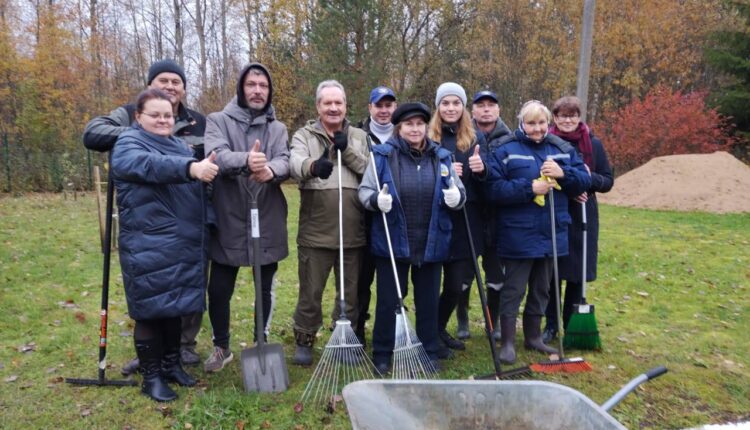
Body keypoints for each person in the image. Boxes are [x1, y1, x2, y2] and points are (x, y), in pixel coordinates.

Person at [82, 59, 207, 374]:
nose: (169, 86)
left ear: (183, 88)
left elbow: (203, 160)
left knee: (177, 299)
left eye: (175, 81)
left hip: (181, 230)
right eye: (162, 80)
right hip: (149, 232)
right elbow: (95, 134)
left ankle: (176, 356)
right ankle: (153, 366)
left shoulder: (195, 123)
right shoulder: (129, 124)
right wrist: (144, 130)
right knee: (152, 305)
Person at [110, 88, 217, 401]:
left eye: (167, 115)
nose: (162, 120)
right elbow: (147, 166)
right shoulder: (129, 143)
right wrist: (190, 168)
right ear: (138, 117)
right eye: (154, 115)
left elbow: (193, 186)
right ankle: (151, 376)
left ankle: (171, 366)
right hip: (148, 242)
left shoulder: (177, 144)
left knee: (175, 308)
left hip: (181, 242)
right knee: (149, 312)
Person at [358, 102, 466, 374]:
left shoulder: (441, 158)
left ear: (427, 127)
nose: (415, 129)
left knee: (428, 302)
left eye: (420, 124)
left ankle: (428, 350)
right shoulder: (381, 156)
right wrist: (375, 199)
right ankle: (383, 352)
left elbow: (459, 191)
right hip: (393, 242)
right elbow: (364, 191)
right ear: (399, 128)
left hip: (431, 242)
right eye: (409, 124)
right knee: (389, 302)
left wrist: (457, 198)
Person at [484, 100, 591, 364]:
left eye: (542, 123)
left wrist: (562, 173)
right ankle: (507, 342)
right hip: (518, 233)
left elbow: (585, 181)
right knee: (514, 289)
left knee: (542, 289)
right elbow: (493, 190)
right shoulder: (504, 149)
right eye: (531, 123)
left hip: (552, 231)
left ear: (548, 123)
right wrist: (529, 189)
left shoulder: (562, 149)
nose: (537, 128)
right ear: (522, 122)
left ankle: (533, 338)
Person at [201, 63, 290, 372]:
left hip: (266, 215)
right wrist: (247, 160)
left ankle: (260, 342)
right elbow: (217, 155)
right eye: (251, 84)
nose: (257, 90)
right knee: (219, 289)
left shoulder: (277, 128)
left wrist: (271, 170)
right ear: (241, 88)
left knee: (263, 287)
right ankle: (221, 346)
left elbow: (285, 161)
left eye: (263, 86)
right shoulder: (217, 121)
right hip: (230, 216)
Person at [289, 80, 368, 366]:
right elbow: (294, 162)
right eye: (327, 103)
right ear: (318, 106)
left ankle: (342, 339)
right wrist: (312, 167)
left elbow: (371, 170)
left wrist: (346, 151)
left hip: (353, 230)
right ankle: (304, 338)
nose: (333, 108)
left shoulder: (359, 135)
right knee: (310, 292)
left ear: (346, 106)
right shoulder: (304, 134)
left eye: (339, 103)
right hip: (316, 231)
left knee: (348, 294)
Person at [542, 96, 614, 343]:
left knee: (576, 271)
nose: (568, 120)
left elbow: (607, 180)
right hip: (555, 209)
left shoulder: (593, 144)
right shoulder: (546, 142)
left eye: (572, 115)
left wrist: (588, 182)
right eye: (563, 116)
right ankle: (551, 325)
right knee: (551, 271)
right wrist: (569, 186)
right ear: (555, 118)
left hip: (583, 213)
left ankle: (571, 323)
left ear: (579, 117)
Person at [428, 82, 481, 352]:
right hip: (435, 222)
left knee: (456, 284)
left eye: (456, 103)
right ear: (438, 107)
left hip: (465, 224)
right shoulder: (427, 138)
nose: (451, 108)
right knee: (430, 284)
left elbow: (486, 184)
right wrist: (444, 174)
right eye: (445, 103)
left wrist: (480, 170)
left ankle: (438, 328)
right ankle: (429, 334)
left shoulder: (474, 139)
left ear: (463, 107)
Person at [354, 86, 398, 345]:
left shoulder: (402, 135)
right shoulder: (359, 136)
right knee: (361, 279)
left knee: (389, 281)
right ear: (370, 108)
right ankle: (358, 327)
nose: (384, 110)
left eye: (388, 105)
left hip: (392, 218)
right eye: (378, 105)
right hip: (363, 215)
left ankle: (389, 328)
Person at [470, 90, 512, 341]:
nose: (486, 110)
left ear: (498, 110)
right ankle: (463, 319)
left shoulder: (510, 139)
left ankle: (492, 322)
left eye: (491, 105)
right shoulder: (463, 135)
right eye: (481, 105)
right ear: (473, 111)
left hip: (499, 214)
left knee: (496, 274)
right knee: (463, 273)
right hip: (470, 211)